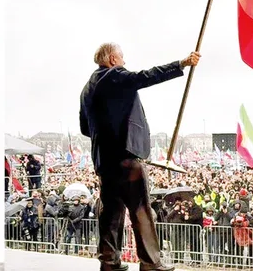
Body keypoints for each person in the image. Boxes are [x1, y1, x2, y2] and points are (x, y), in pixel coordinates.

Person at [80, 42, 201, 271]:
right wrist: (181, 64)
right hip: (126, 157)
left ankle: (109, 262)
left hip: (104, 162)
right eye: (123, 58)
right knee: (141, 211)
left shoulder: (86, 89)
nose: (125, 63)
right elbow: (145, 76)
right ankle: (150, 262)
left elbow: (86, 128)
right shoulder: (114, 75)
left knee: (111, 214)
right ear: (113, 59)